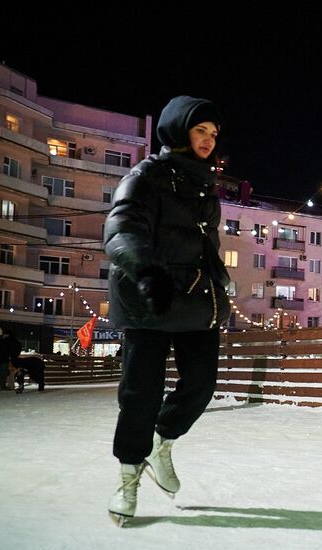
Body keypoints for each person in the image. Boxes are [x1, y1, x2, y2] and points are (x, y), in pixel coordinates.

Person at [103, 95, 231, 526]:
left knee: (201, 383)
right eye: (200, 130)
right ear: (178, 131)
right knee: (141, 394)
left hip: (195, 297)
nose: (209, 140)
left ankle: (162, 441)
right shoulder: (145, 178)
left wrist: (220, 282)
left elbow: (204, 245)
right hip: (149, 297)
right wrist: (146, 271)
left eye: (213, 133)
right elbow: (121, 230)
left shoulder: (205, 186)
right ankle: (127, 478)